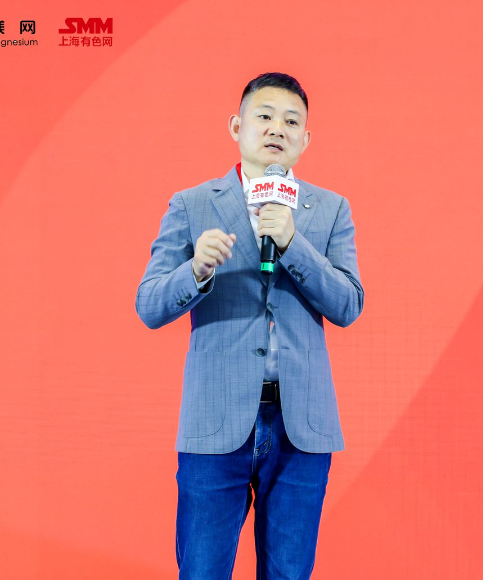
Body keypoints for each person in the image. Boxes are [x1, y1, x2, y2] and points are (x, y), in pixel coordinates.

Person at [135, 72, 364, 579]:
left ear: (306, 140)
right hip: (216, 421)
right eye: (264, 116)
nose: (277, 128)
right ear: (237, 127)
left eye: (291, 121)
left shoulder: (330, 210)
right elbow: (149, 305)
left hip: (301, 426)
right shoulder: (193, 204)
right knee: (202, 571)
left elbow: (348, 305)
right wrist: (195, 270)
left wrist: (292, 244)